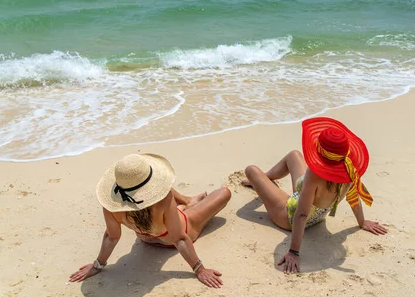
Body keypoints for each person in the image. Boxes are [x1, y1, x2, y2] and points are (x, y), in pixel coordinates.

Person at [243, 117, 387, 274]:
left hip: (289, 217)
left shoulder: (314, 175)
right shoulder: (350, 169)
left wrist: (294, 252)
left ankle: (262, 181)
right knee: (294, 155)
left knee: (251, 170)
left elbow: (301, 214)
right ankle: (267, 179)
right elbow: (354, 197)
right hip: (318, 215)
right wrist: (362, 221)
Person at [69, 153, 231, 288]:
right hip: (177, 235)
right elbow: (179, 238)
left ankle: (187, 202)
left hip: (145, 238)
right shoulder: (163, 199)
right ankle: (186, 204)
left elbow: (111, 237)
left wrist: (97, 264)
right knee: (224, 193)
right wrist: (199, 269)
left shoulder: (112, 206)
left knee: (164, 195)